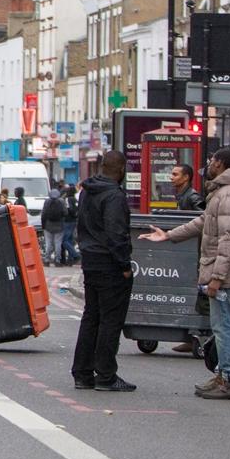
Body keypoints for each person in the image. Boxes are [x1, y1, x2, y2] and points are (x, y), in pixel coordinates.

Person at [140, 148, 230, 400]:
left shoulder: (228, 195)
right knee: (222, 326)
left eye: (211, 160)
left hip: (224, 275)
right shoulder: (222, 194)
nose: (208, 164)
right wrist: (168, 235)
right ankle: (223, 374)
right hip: (221, 272)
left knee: (225, 328)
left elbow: (229, 239)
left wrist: (218, 277)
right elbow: (202, 222)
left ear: (220, 164)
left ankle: (229, 379)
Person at [71, 150, 136, 392]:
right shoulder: (114, 196)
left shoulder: (87, 191)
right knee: (110, 320)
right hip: (110, 264)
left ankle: (82, 373)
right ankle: (106, 375)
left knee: (91, 317)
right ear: (121, 170)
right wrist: (125, 265)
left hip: (90, 261)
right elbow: (116, 233)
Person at [41, 188, 66, 266]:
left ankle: (47, 259)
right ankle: (57, 260)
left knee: (48, 243)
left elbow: (43, 214)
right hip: (59, 225)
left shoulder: (47, 202)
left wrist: (43, 225)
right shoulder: (62, 201)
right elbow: (65, 213)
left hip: (48, 225)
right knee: (58, 243)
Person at [60, 185, 80, 265]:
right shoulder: (75, 199)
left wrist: (67, 213)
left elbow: (70, 209)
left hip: (67, 220)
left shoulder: (68, 199)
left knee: (64, 240)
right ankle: (70, 259)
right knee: (70, 240)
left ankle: (75, 255)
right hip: (74, 220)